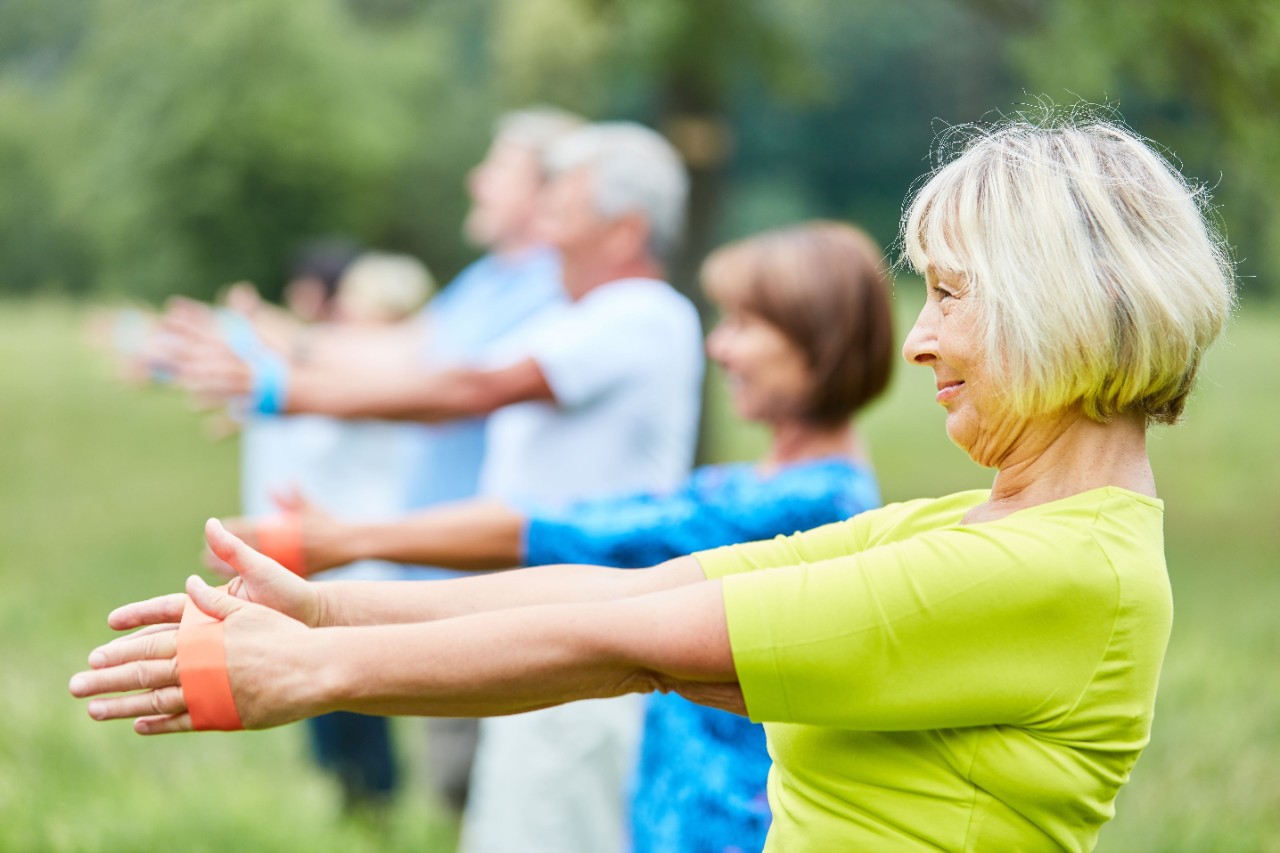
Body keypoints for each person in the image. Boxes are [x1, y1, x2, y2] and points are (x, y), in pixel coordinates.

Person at [71, 113, 1235, 851]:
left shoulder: (1049, 568)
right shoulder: (972, 526)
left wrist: (324, 666)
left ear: (1060, 308)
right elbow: (628, 597)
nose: (918, 341)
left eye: (948, 293)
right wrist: (326, 605)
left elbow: (629, 645)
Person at [216, 220, 895, 853]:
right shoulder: (750, 482)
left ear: (819, 338)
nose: (720, 347)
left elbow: (576, 533)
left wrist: (350, 539)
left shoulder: (810, 502)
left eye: (748, 325)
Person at [157, 120, 705, 852]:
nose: (547, 224)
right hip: (543, 617)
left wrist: (289, 389)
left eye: (565, 208)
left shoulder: (639, 315)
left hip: (593, 626)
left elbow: (468, 386)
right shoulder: (584, 316)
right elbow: (430, 361)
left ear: (625, 228)